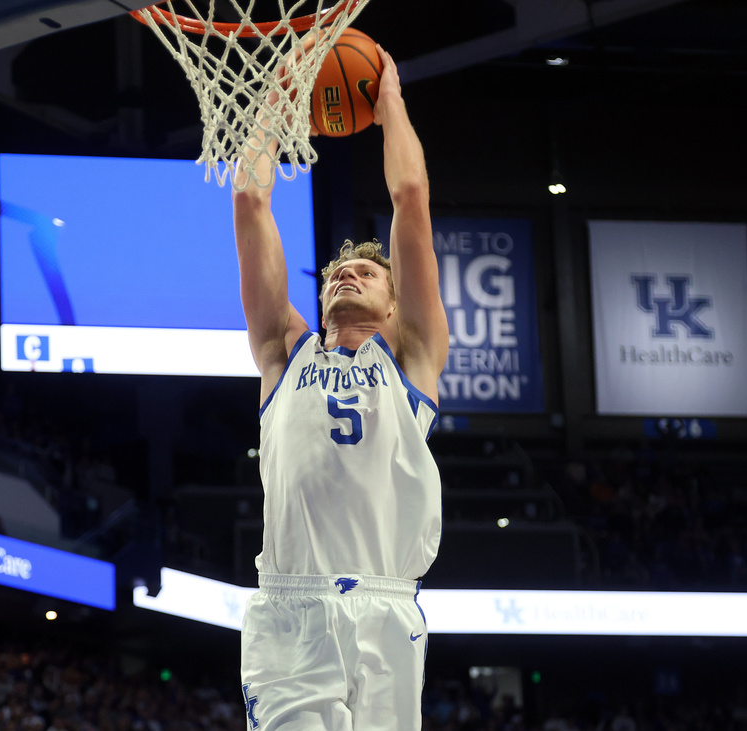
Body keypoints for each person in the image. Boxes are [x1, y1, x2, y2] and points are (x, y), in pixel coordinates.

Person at [232, 43, 449, 731]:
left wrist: (390, 103)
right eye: (333, 275)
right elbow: (248, 196)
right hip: (293, 610)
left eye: (366, 273)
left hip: (387, 609)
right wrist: (278, 99)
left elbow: (409, 196)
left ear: (394, 305)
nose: (344, 276)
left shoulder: (410, 358)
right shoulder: (282, 353)